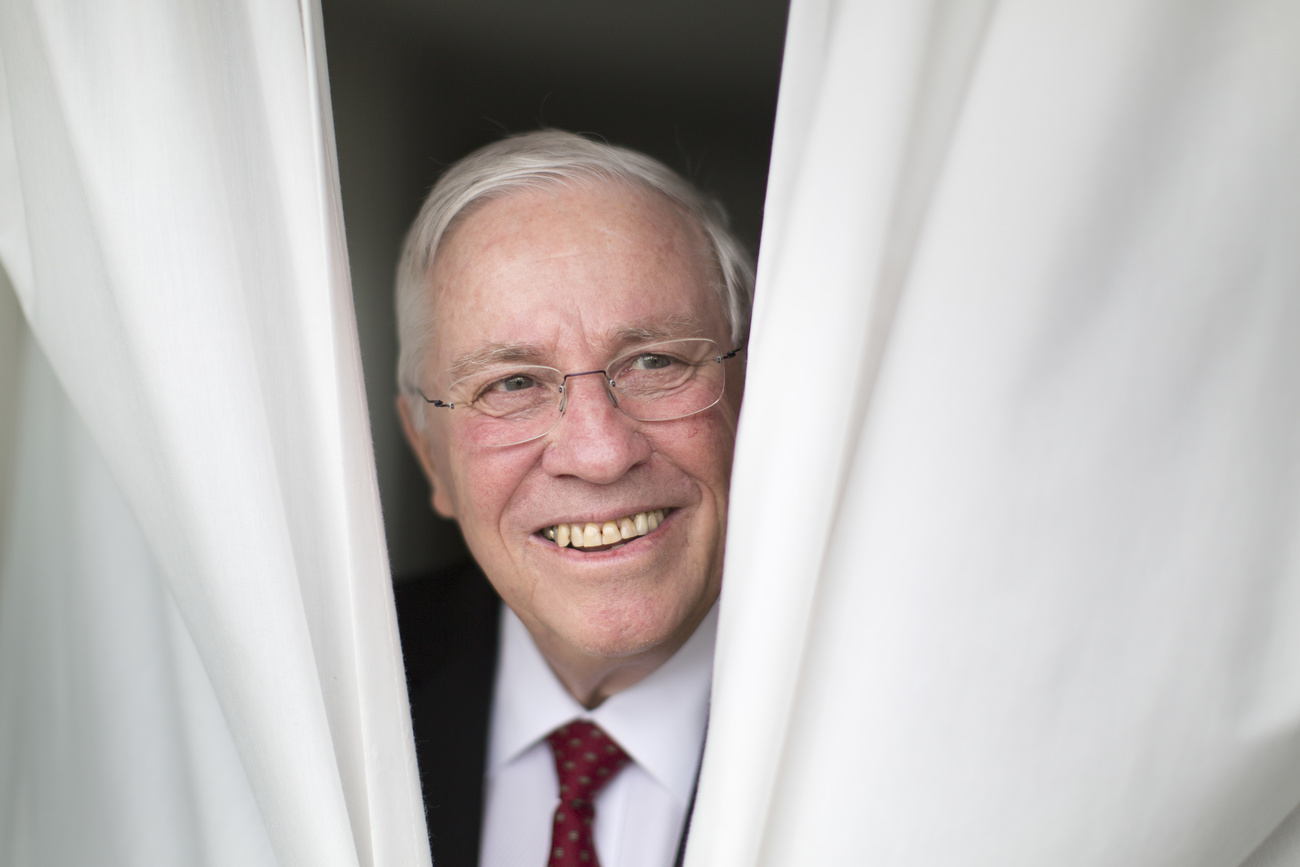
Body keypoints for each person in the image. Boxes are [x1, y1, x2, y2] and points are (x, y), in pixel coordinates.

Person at [393, 130, 753, 867]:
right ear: (430, 455)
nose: (600, 453)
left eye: (655, 362)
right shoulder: (333, 688)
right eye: (512, 383)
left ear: (751, 394)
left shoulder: (899, 693)